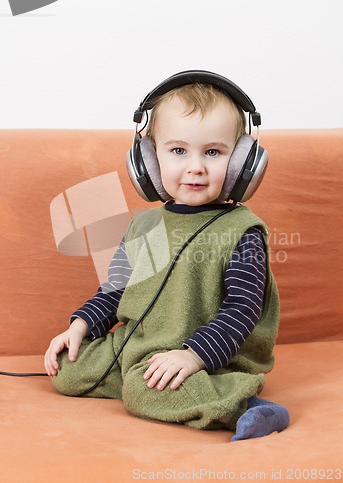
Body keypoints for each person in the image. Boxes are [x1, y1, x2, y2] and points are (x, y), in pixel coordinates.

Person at [44, 71, 290, 441]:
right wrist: (78, 326)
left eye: (213, 152)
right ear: (147, 160)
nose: (195, 166)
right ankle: (144, 375)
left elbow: (243, 310)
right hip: (138, 341)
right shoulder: (145, 225)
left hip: (209, 351)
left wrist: (194, 356)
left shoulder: (241, 230)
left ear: (242, 163)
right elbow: (117, 290)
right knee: (68, 368)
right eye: (178, 150)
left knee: (143, 392)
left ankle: (244, 405)